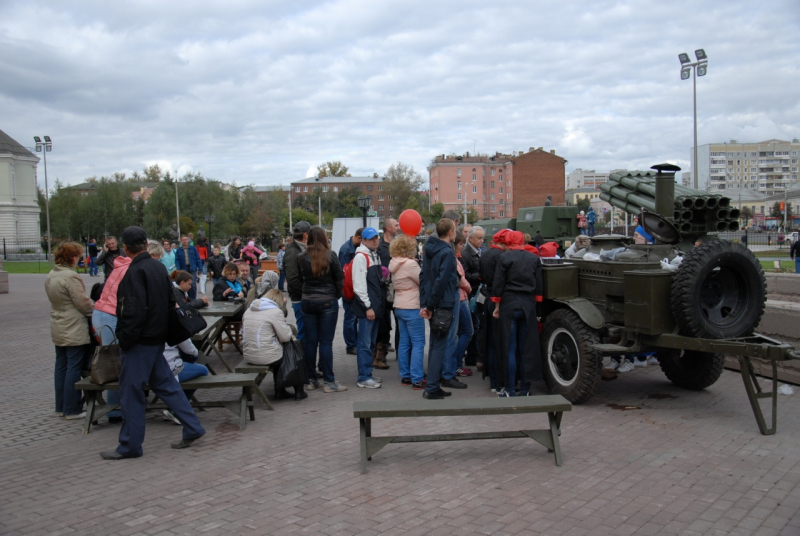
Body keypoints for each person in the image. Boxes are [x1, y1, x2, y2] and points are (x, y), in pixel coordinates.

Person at [100, 226, 205, 460]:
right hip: (157, 338)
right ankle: (193, 426)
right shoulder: (158, 268)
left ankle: (130, 445)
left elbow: (133, 312)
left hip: (140, 341)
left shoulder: (134, 272)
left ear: (126, 248)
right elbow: (170, 305)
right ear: (146, 245)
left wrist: (126, 340)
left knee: (131, 392)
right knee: (167, 385)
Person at [45, 242, 94, 420]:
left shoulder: (52, 274)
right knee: (74, 365)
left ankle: (61, 406)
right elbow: (82, 302)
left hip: (58, 320)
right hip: (73, 324)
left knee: (61, 365)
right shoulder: (71, 276)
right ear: (73, 257)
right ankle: (72, 408)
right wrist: (93, 312)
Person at [491, 231, 543, 397]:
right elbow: (539, 288)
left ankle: (510, 389)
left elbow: (498, 285)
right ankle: (526, 389)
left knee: (509, 349)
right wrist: (537, 310)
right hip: (528, 305)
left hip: (509, 304)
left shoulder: (504, 258)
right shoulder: (534, 259)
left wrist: (497, 307)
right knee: (526, 349)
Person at [297, 226, 347, 393]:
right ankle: (329, 381)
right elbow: (339, 279)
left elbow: (299, 279)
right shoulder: (330, 255)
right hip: (327, 300)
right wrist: (336, 295)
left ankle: (311, 379)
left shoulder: (301, 257)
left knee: (311, 342)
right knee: (326, 342)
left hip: (308, 300)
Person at [420, 218, 463, 399]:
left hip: (434, 302)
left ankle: (433, 385)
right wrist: (430, 304)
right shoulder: (446, 251)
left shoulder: (430, 249)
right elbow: (442, 280)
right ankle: (431, 388)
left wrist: (426, 303)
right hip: (443, 303)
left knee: (436, 344)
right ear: (451, 232)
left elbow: (424, 277)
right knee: (439, 346)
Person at [242, 288, 306, 400]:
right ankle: (299, 391)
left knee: (275, 349)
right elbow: (285, 337)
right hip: (264, 356)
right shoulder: (275, 312)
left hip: (249, 354)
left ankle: (280, 390)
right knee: (293, 350)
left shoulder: (248, 310)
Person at [92, 252, 133, 423]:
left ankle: (118, 407)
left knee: (114, 359)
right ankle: (116, 410)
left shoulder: (121, 266)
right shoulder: (132, 270)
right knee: (116, 363)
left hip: (102, 312)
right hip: (111, 314)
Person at [389, 235, 425, 388]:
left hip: (399, 305)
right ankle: (417, 377)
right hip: (412, 305)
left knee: (404, 342)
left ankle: (406, 376)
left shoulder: (393, 263)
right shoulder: (411, 264)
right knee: (418, 343)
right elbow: (422, 281)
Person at [351, 227, 384, 389]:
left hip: (374, 306)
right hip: (368, 308)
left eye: (376, 237)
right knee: (365, 343)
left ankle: (367, 374)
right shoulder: (361, 257)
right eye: (371, 238)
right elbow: (359, 286)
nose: (375, 240)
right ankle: (363, 376)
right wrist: (368, 307)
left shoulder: (373, 255)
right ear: (363, 240)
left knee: (370, 342)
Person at [479, 230, 509, 392]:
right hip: (498, 300)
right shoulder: (501, 257)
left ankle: (492, 381)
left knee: (489, 342)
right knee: (498, 343)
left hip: (487, 298)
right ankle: (499, 382)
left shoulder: (485, 254)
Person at [374, 218, 400, 369]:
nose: (399, 227)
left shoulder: (398, 246)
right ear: (388, 228)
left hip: (397, 290)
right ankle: (379, 355)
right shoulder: (380, 248)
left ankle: (400, 353)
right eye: (396, 225)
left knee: (399, 323)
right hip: (383, 291)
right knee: (383, 323)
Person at [461, 226, 485, 371]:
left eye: (483, 238)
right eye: (479, 238)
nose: (482, 241)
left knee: (476, 325)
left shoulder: (480, 252)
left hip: (478, 293)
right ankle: (471, 355)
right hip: (471, 294)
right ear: (471, 238)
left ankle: (474, 353)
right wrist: (481, 275)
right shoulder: (465, 254)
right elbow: (466, 276)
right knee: (472, 326)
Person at [450, 234, 474, 378]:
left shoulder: (455, 258)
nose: (462, 247)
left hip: (460, 297)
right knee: (468, 330)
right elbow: (461, 279)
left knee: (460, 332)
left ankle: (456, 363)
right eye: (460, 244)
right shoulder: (453, 259)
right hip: (460, 298)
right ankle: (457, 364)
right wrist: (469, 288)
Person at [285, 221, 311, 345]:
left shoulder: (301, 248)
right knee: (303, 332)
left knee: (307, 331)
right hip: (300, 298)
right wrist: (306, 294)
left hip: (303, 297)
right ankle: (301, 360)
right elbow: (292, 279)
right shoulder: (292, 252)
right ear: (305, 235)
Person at [338, 228, 363, 355]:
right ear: (359, 238)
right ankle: (351, 345)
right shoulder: (346, 250)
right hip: (349, 290)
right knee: (350, 318)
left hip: (352, 288)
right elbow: (345, 272)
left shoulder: (350, 248)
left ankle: (354, 343)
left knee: (353, 318)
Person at [174, 235, 201, 300]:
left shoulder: (193, 248)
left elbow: (198, 258)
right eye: (183, 240)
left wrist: (200, 269)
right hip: (184, 269)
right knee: (184, 284)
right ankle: (186, 298)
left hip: (192, 268)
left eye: (186, 240)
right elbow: (177, 260)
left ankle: (193, 299)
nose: (185, 241)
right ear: (181, 241)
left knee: (193, 284)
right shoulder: (179, 250)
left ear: (188, 241)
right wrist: (178, 269)